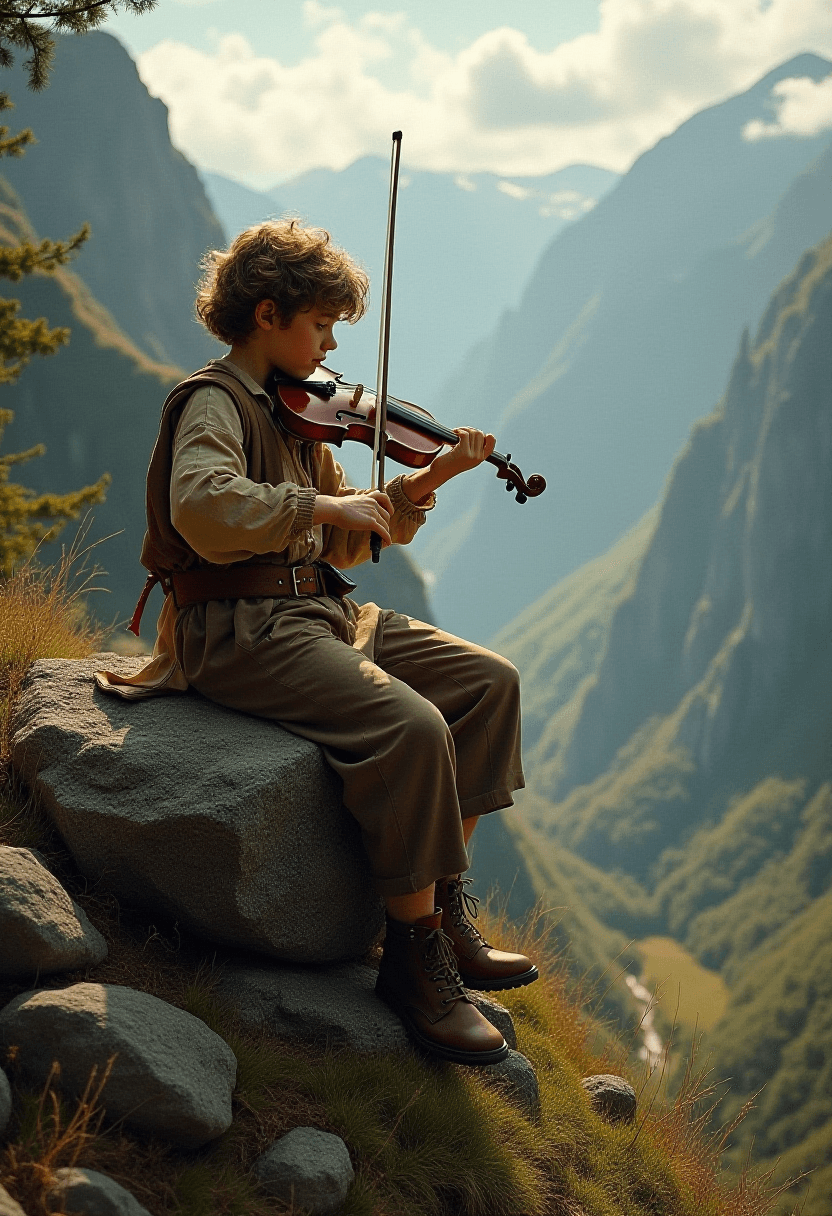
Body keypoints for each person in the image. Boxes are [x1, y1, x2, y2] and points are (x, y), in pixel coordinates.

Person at [96, 219, 538, 1066]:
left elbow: (342, 544)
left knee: (490, 684)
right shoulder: (214, 403)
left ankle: (443, 910)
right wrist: (321, 508)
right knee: (411, 729)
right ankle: (413, 963)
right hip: (238, 628)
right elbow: (202, 505)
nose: (334, 343)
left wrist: (425, 483)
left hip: (318, 612)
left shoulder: (297, 411)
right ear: (268, 314)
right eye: (322, 324)